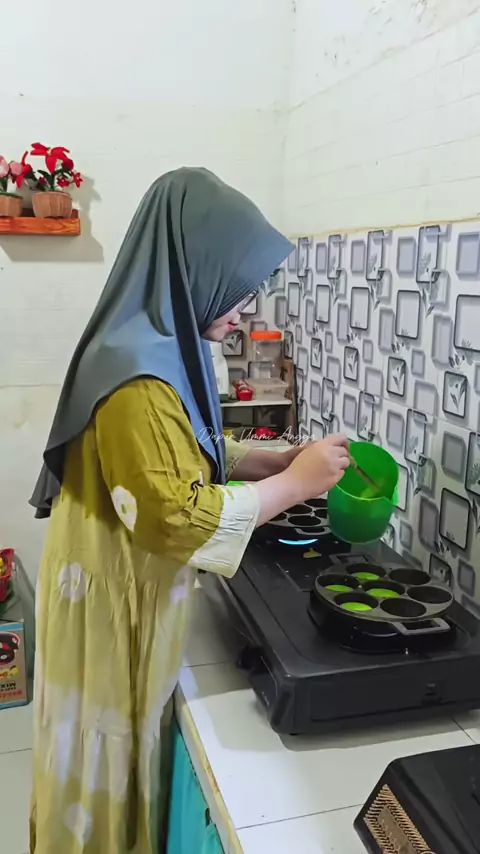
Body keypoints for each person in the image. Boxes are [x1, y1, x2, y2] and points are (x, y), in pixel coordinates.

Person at [29, 167, 349, 854]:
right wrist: (297, 485)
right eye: (237, 285)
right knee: (103, 763)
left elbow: (181, 445)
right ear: (195, 263)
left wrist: (272, 460)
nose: (244, 306)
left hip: (123, 574)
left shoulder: (160, 344)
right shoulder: (137, 373)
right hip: (107, 591)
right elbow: (178, 516)